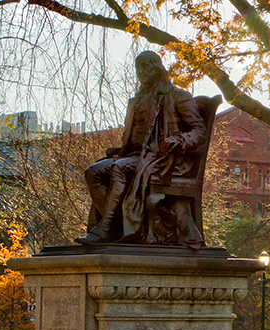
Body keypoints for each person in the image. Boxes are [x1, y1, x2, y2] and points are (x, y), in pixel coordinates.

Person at [76, 51, 208, 245]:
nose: (141, 73)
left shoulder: (177, 96)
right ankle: (117, 227)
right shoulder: (136, 101)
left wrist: (179, 140)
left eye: (145, 68)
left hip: (162, 159)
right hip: (133, 156)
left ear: (156, 68)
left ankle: (105, 228)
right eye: (138, 69)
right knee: (93, 172)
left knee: (119, 168)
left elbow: (199, 131)